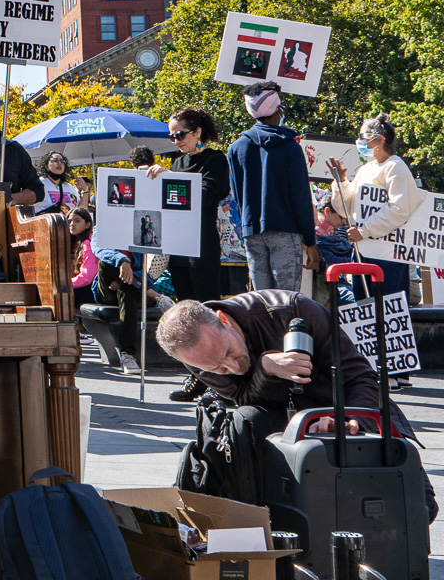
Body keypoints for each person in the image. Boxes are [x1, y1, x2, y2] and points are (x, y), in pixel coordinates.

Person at [157, 292, 431, 524]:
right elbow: (242, 397)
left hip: (347, 407)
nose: (232, 367)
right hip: (278, 420)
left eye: (229, 352)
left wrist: (351, 419)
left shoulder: (290, 309)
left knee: (420, 508)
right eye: (216, 367)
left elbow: (359, 376)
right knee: (245, 420)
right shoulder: (194, 354)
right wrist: (266, 367)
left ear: (223, 320)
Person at [323, 114, 426, 390]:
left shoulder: (395, 167)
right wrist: (341, 181)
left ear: (379, 140)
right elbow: (345, 206)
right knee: (367, 305)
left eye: (363, 137)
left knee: (388, 304)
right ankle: (383, 366)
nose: (359, 142)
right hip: (364, 248)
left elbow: (400, 209)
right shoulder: (367, 169)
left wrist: (365, 229)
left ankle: (393, 369)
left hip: (387, 250)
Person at [225, 82, 316, 293]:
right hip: (285, 231)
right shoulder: (290, 147)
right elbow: (301, 198)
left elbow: (238, 196)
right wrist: (310, 241)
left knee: (263, 301)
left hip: (252, 232)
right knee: (286, 299)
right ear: (278, 110)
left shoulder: (236, 148)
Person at [148, 108, 230, 307]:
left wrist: (171, 178)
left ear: (197, 132)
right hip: (177, 247)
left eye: (180, 135)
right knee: (185, 307)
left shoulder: (215, 160)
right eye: (172, 137)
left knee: (208, 306)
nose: (176, 141)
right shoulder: (178, 163)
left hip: (202, 245)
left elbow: (206, 195)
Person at [67, 208, 98, 308]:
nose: (72, 224)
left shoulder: (88, 242)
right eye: (70, 221)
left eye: (77, 221)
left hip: (93, 289)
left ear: (87, 224)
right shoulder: (76, 242)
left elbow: (87, 277)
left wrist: (65, 284)